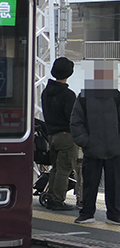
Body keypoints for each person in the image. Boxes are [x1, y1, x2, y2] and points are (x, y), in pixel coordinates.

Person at [71, 60, 120, 224]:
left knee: (115, 183)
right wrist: (86, 141)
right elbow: (76, 122)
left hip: (114, 148)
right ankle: (87, 213)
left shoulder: (116, 96)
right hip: (92, 149)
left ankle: (114, 214)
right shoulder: (84, 97)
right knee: (90, 183)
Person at [41, 57, 78, 211]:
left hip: (51, 135)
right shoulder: (68, 95)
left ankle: (51, 197)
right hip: (66, 136)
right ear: (69, 73)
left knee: (56, 168)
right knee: (64, 169)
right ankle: (57, 200)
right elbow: (72, 117)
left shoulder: (45, 92)